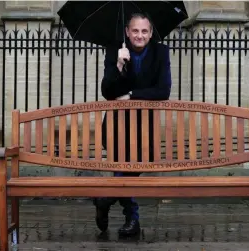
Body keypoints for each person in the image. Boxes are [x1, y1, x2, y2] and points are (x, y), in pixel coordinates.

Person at [94, 12, 172, 236]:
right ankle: (132, 220)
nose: (140, 35)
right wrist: (118, 65)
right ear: (127, 32)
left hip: (144, 125)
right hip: (117, 125)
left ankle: (106, 199)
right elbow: (107, 92)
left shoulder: (160, 52)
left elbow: (163, 90)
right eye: (135, 31)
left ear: (150, 33)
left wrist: (131, 95)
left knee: (131, 167)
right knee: (124, 167)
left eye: (144, 31)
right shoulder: (115, 50)